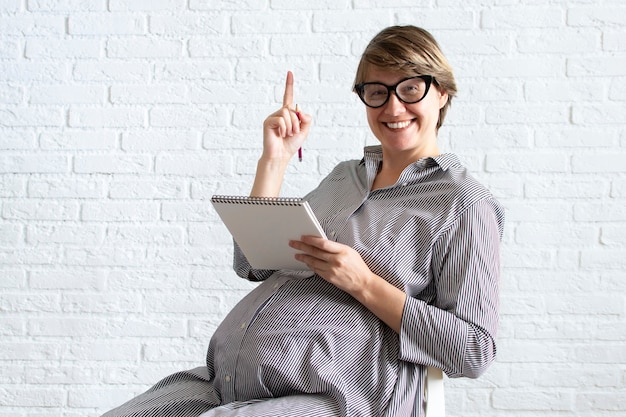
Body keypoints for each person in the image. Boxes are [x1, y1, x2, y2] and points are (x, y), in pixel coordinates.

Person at [102, 25, 504, 417]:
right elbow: (252, 263)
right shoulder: (346, 177)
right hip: (223, 380)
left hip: (339, 397)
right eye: (377, 92)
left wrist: (362, 282)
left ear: (443, 93)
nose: (393, 107)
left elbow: (474, 349)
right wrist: (274, 160)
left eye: (411, 88)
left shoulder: (463, 205)